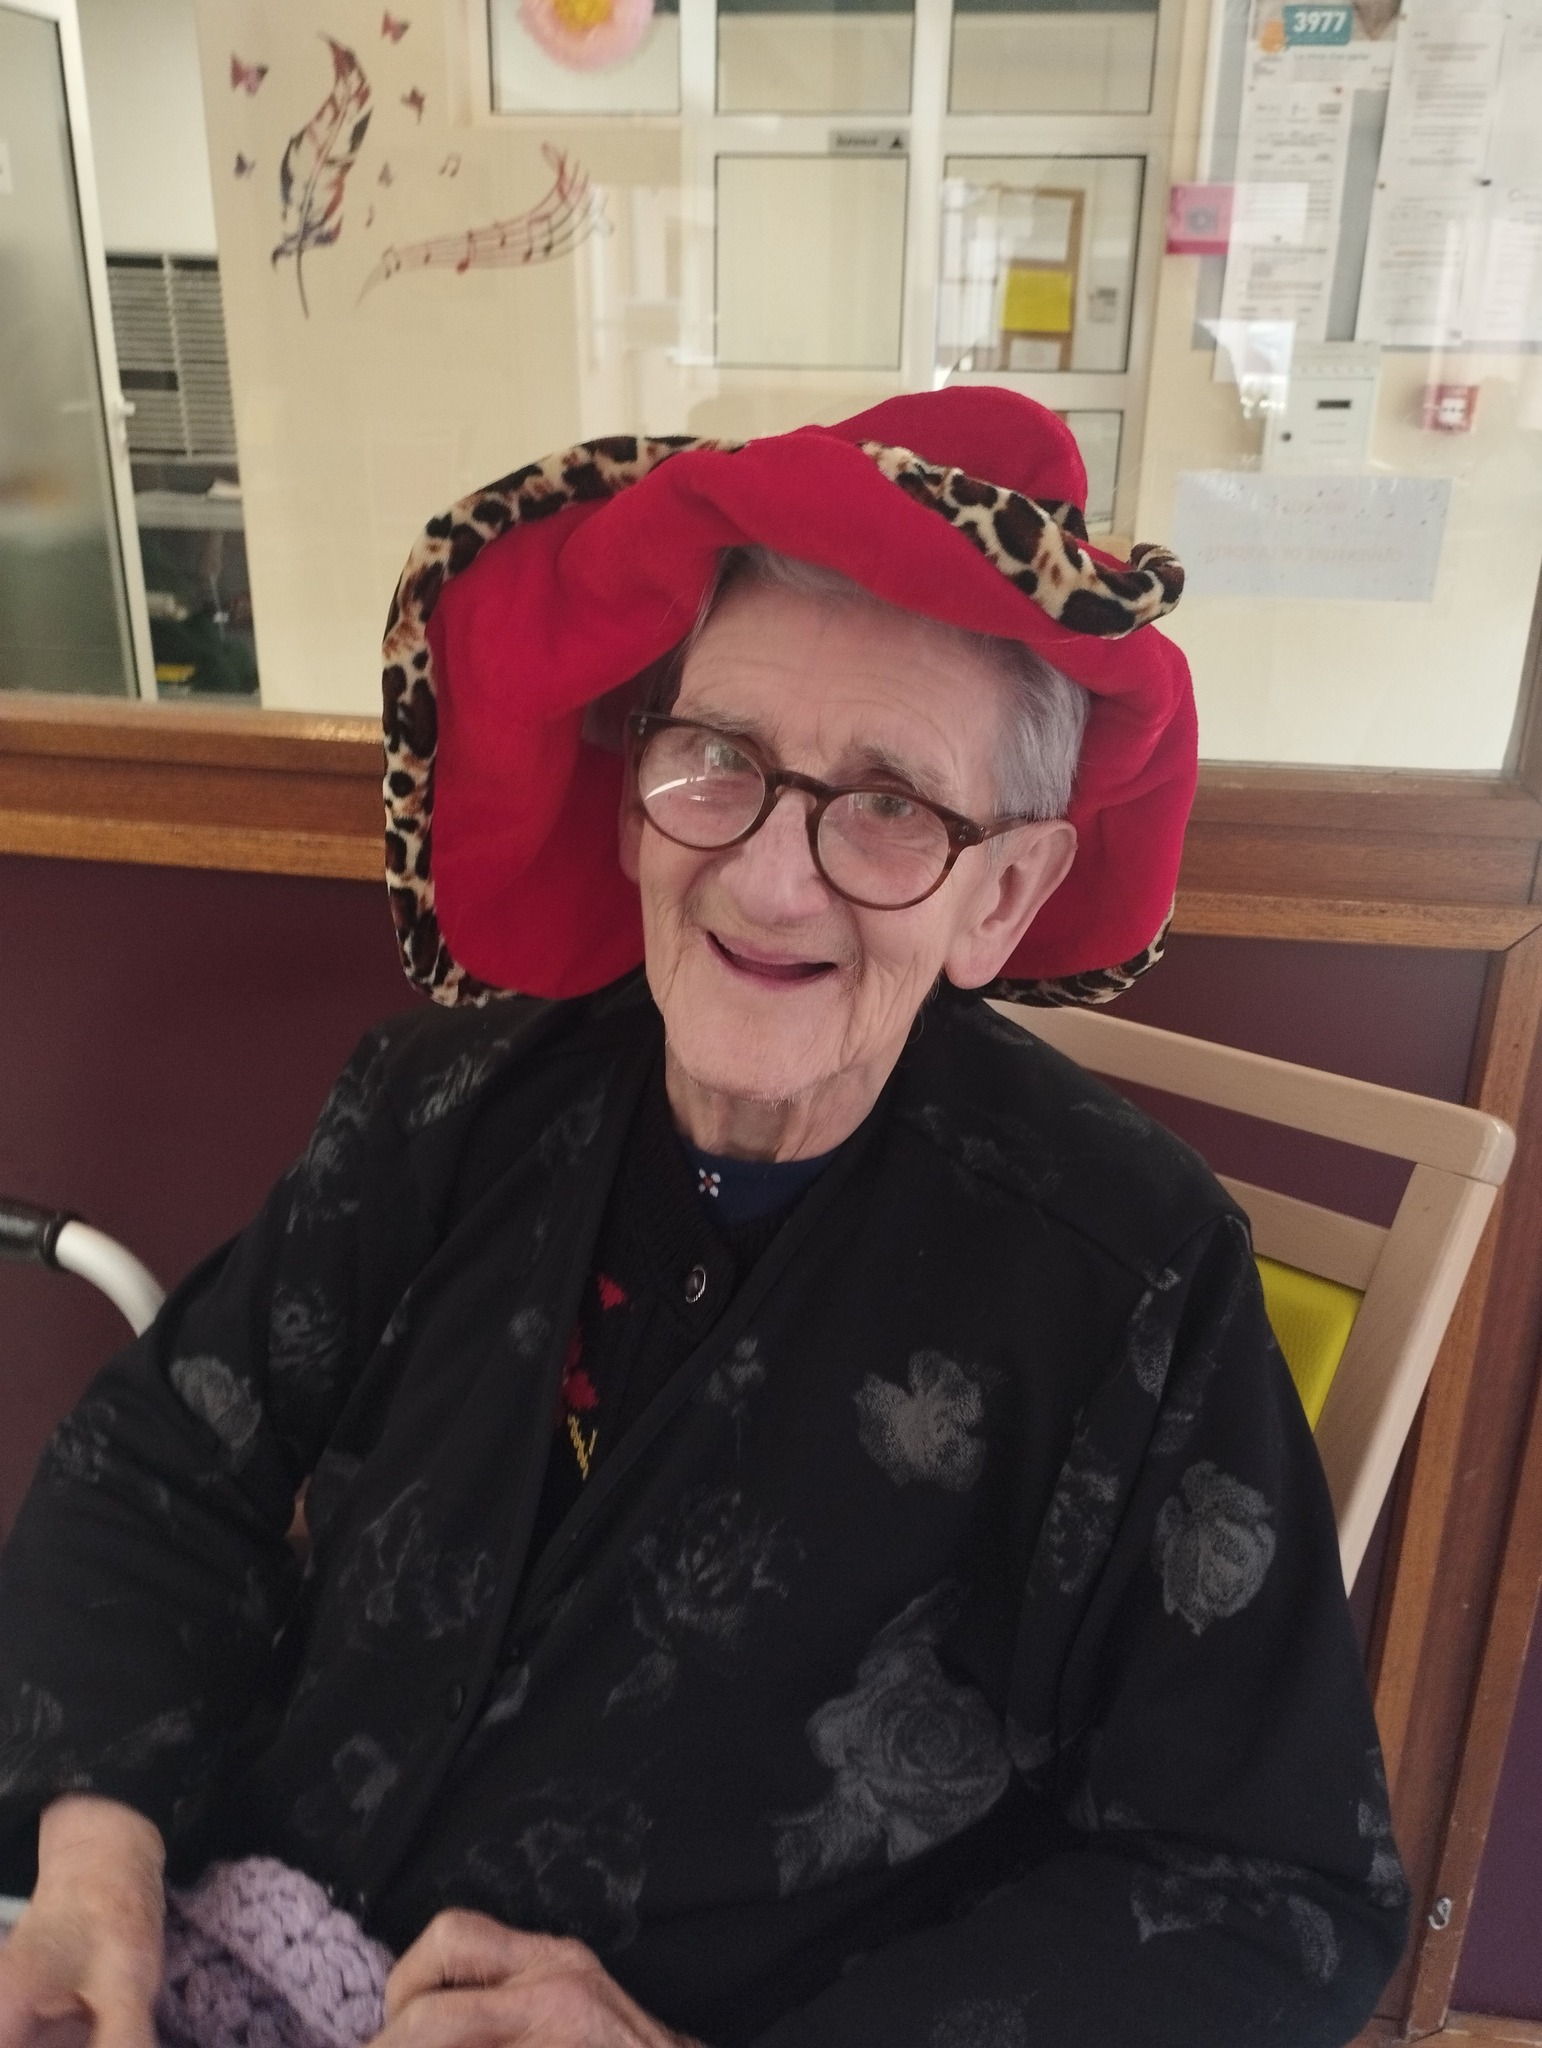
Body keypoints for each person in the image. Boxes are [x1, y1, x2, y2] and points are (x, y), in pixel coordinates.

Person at [0, 389, 1407, 2048]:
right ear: (635, 793)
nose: (768, 876)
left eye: (890, 803)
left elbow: (1271, 1892)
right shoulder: (439, 1106)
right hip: (223, 1958)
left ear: (1002, 894)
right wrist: (95, 1858)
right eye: (719, 759)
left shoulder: (1128, 1279)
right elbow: (168, 1458)